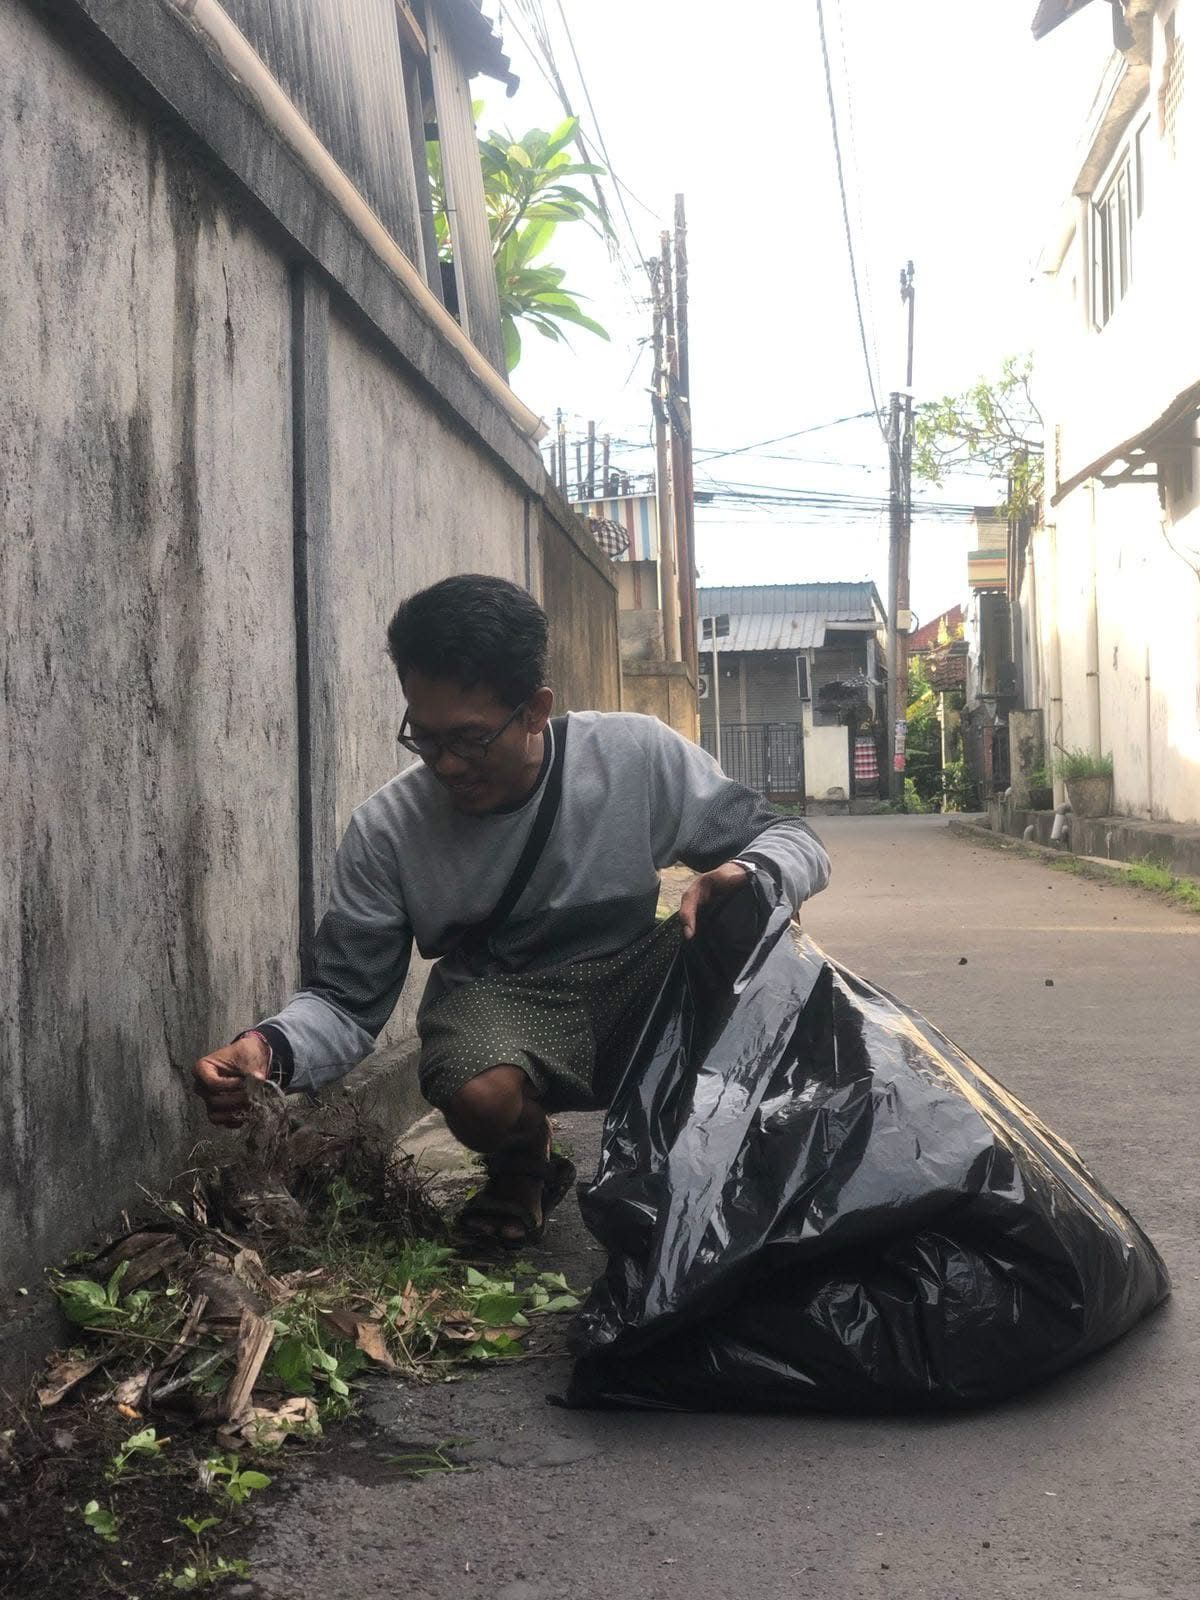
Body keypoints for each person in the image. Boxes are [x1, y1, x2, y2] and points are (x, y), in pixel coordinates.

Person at [192, 574, 830, 1246]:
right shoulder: (387, 830)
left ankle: (732, 1156)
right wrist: (266, 1048)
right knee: (479, 1094)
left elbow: (791, 839)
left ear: (534, 710)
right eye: (425, 739)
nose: (447, 765)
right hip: (502, 1001)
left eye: (469, 740)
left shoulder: (633, 755)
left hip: (637, 980)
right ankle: (524, 1163)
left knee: (751, 909)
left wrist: (748, 872)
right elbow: (345, 1000)